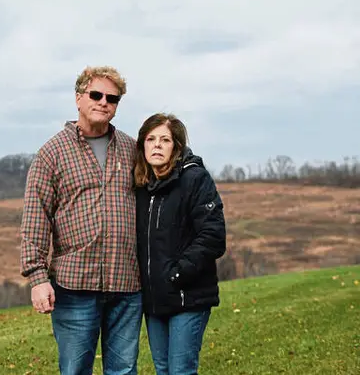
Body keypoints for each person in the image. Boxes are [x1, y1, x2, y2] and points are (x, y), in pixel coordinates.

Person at [20, 66, 142, 375]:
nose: (104, 102)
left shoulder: (132, 150)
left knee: (124, 370)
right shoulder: (51, 154)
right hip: (74, 288)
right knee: (75, 370)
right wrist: (37, 278)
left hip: (126, 285)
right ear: (78, 98)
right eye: (96, 95)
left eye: (112, 98)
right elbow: (36, 219)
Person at [134, 113, 226, 375]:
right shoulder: (141, 186)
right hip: (154, 300)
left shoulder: (195, 179)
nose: (157, 145)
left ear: (176, 146)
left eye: (165, 140)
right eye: (151, 139)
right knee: (163, 369)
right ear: (142, 146)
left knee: (181, 370)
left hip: (188, 295)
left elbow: (213, 235)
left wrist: (177, 273)